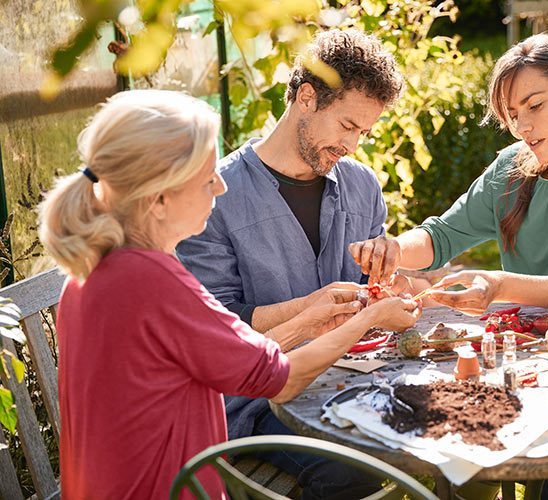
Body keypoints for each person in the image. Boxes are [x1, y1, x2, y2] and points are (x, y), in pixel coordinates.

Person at [39, 89, 419, 499]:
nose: (221, 186)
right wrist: (368, 317)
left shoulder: (96, 270)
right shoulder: (154, 283)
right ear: (159, 197)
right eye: (207, 177)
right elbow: (280, 380)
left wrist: (313, 317)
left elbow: (238, 358)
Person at [350, 33, 548, 499]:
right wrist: (392, 249)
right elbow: (443, 234)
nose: (523, 126)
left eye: (534, 105)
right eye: (513, 115)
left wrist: (500, 283)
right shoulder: (514, 167)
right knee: (463, 450)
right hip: (525, 352)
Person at [176, 28, 406, 491]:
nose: (354, 146)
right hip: (257, 402)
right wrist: (309, 308)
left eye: (364, 131)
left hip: (350, 380)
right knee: (353, 469)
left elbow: (378, 292)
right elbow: (220, 327)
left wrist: (387, 265)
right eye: (347, 126)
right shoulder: (216, 195)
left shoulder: (361, 185)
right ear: (306, 97)